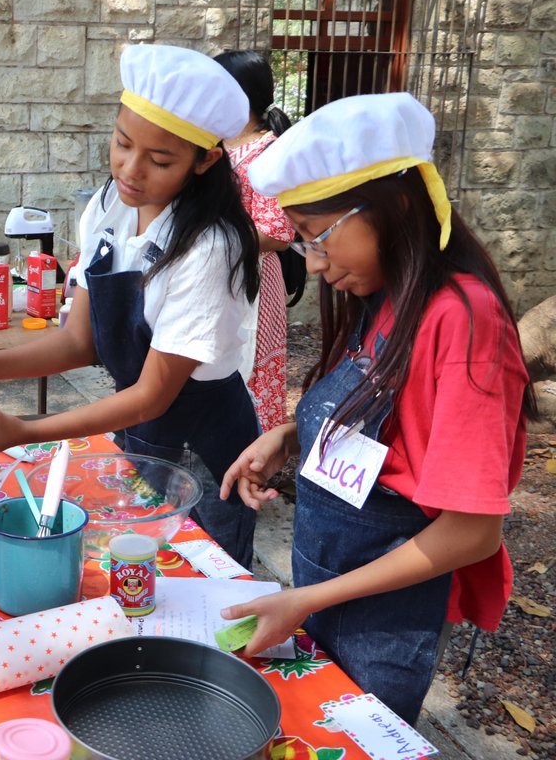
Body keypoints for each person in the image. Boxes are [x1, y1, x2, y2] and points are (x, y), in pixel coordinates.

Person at [219, 92, 532, 724]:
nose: (317, 262)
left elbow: (473, 530)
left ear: (398, 207)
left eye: (321, 236)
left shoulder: (465, 324)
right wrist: (289, 434)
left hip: (385, 617)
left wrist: (307, 598)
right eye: (303, 241)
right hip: (325, 585)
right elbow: (380, 419)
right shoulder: (386, 294)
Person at [0, 44, 262, 568]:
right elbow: (79, 341)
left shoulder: (209, 247)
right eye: (122, 143)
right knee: (131, 574)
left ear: (206, 160)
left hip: (202, 452)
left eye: (161, 159)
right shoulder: (110, 205)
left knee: (191, 583)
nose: (131, 169)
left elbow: (152, 394)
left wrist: (27, 430)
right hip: (138, 429)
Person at [215, 50, 296, 434]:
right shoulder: (211, 144)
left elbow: (277, 234)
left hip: (255, 281)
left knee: (251, 368)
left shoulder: (270, 150)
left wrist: (208, 236)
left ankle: (253, 456)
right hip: (212, 275)